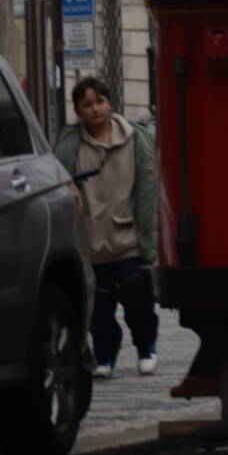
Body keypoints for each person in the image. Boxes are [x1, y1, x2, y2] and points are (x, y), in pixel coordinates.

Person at [54, 76, 160, 378]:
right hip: (91, 242)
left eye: (99, 102)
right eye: (87, 105)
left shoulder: (134, 139)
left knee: (138, 302)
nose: (95, 109)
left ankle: (146, 348)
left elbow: (147, 189)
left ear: (109, 103)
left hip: (128, 239)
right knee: (98, 310)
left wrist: (148, 238)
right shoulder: (70, 146)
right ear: (77, 110)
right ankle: (105, 356)